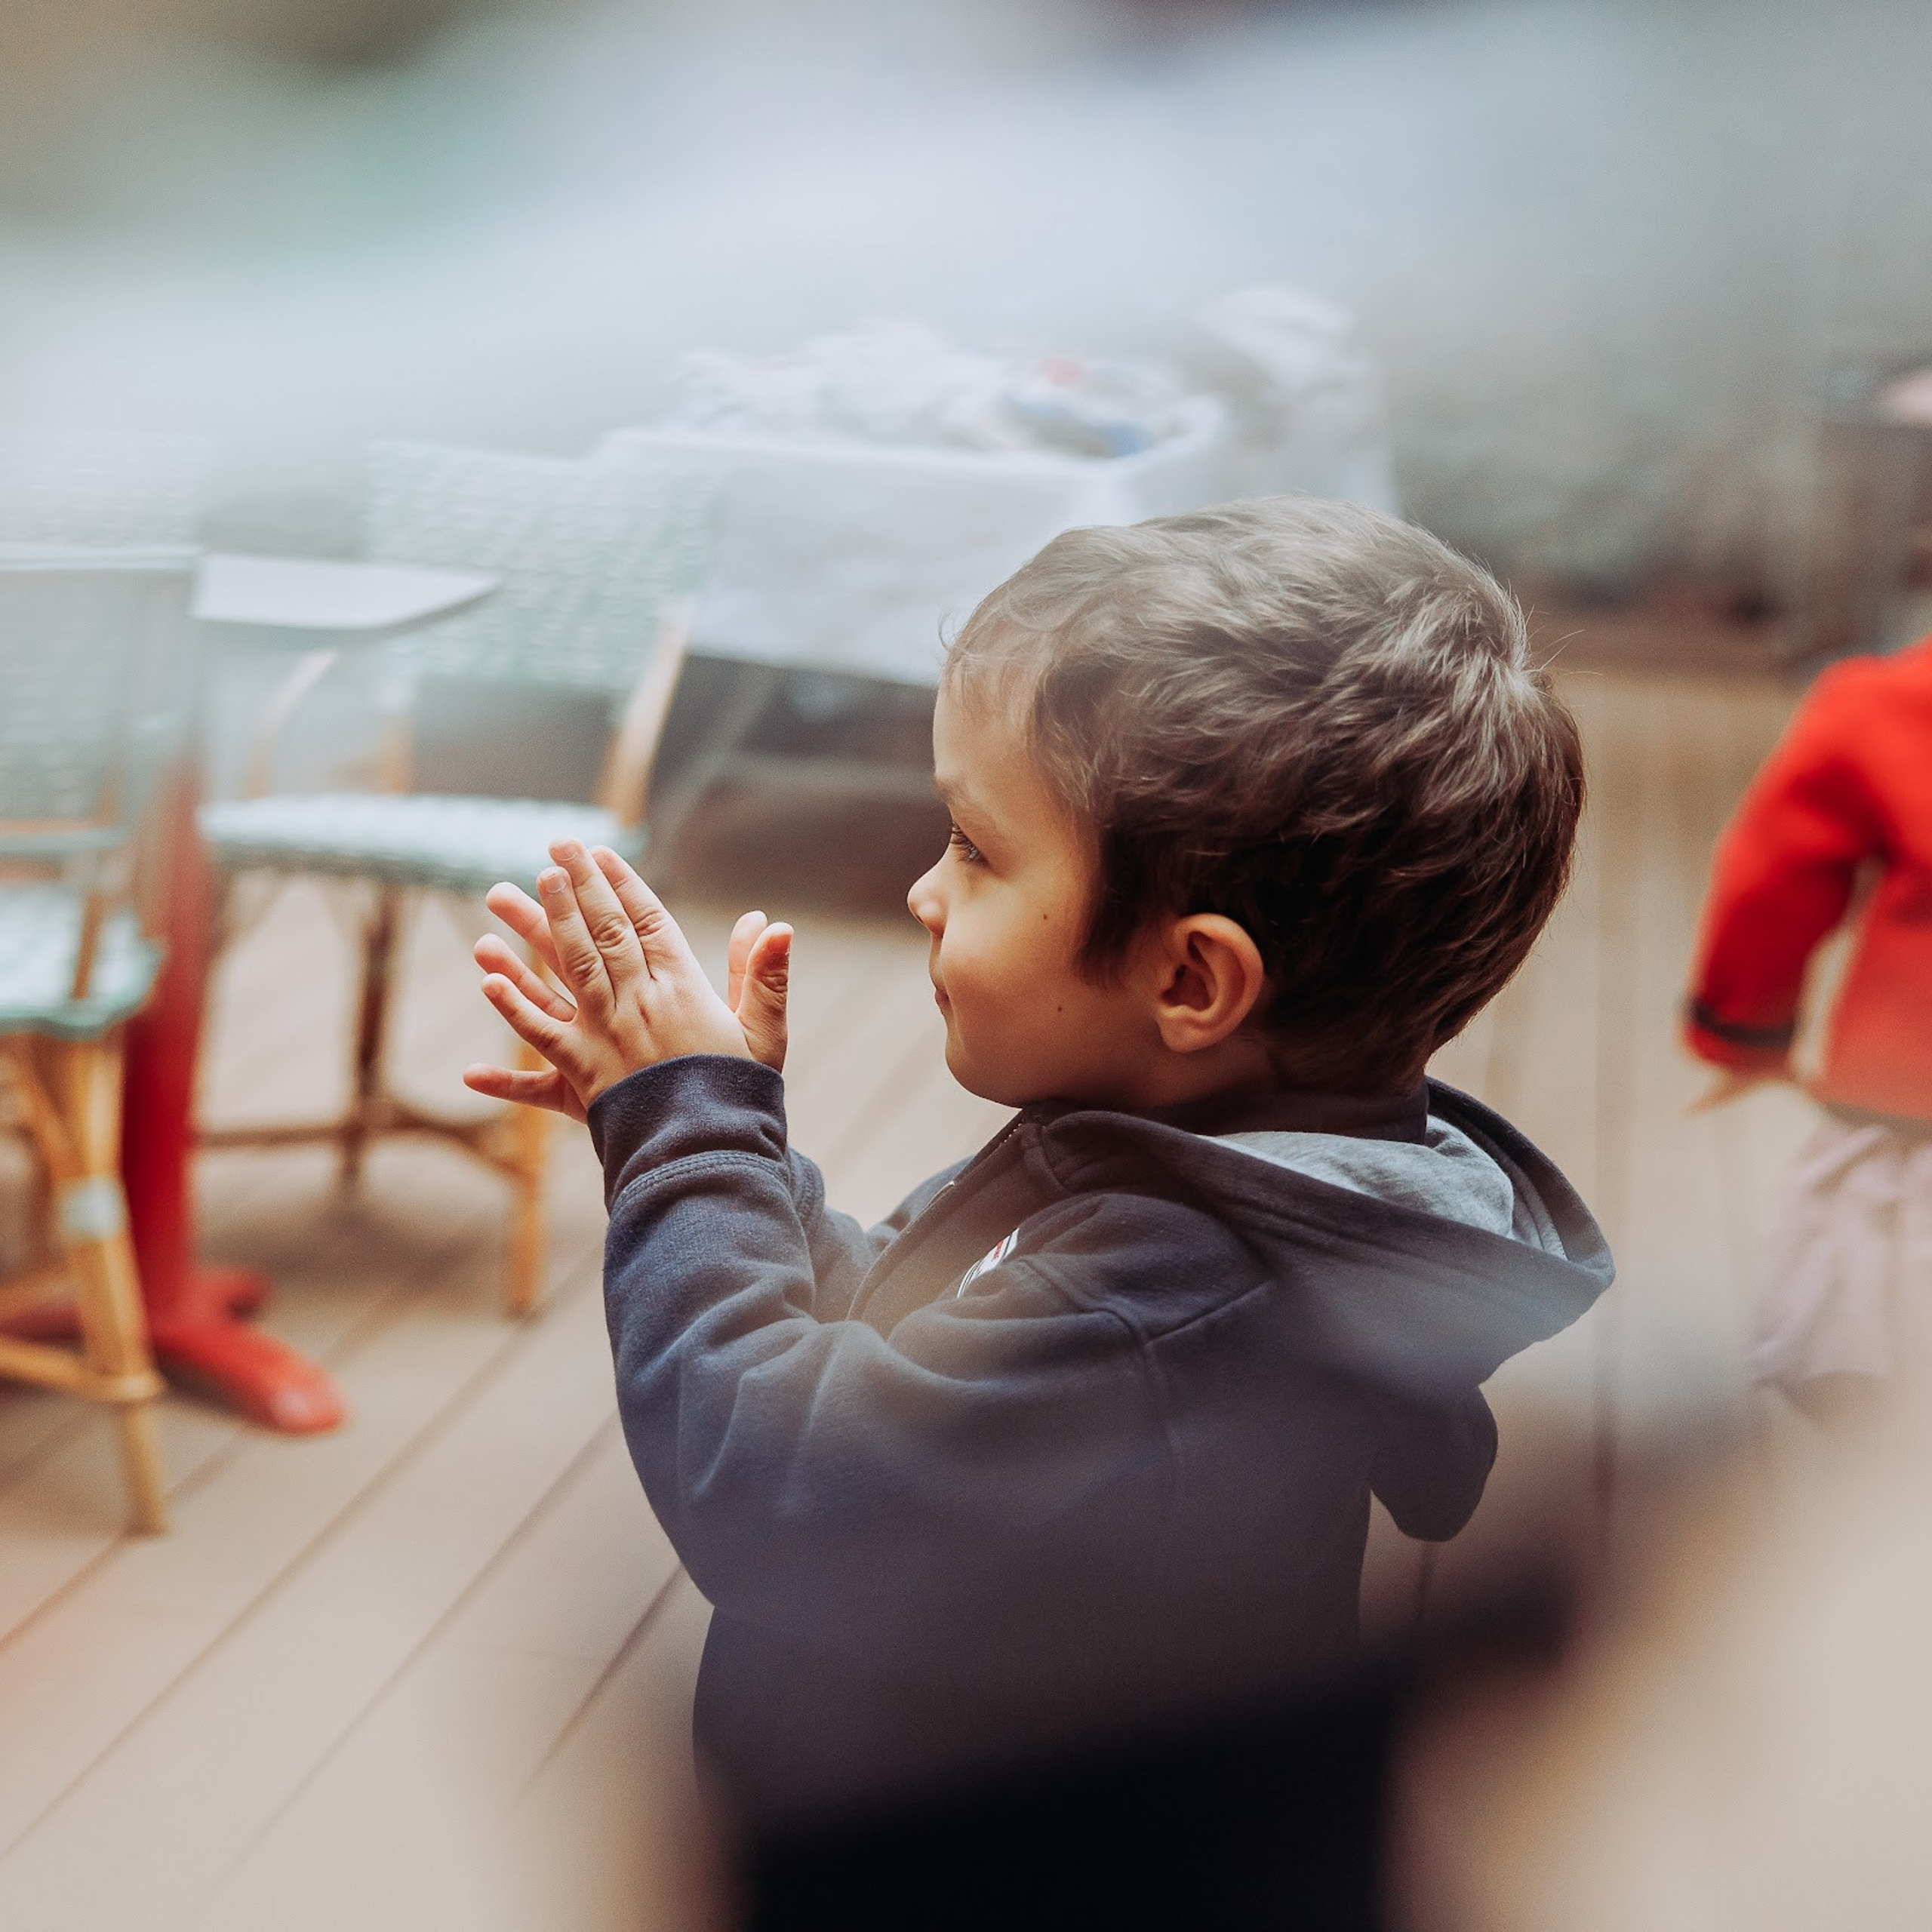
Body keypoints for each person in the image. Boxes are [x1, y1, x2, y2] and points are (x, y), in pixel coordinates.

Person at [463, 497, 1613, 1851]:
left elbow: (772, 1480)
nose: (923, 893)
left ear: (1190, 977)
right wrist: (709, 1142)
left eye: (975, 846)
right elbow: (895, 1335)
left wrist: (691, 1137)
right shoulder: (1221, 1178)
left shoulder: (1166, 1301)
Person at [1684, 635, 1932, 1420]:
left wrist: (1744, 1035)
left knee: (1873, 1373)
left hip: (1905, 1112)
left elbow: (1772, 878)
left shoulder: (1893, 704)